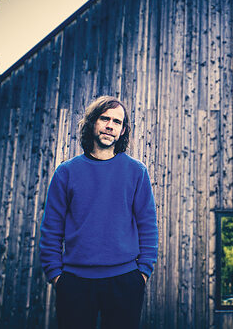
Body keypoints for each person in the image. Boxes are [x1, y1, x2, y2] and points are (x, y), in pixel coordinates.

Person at [39, 96, 158, 329]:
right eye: (105, 118)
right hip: (75, 282)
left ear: (123, 130)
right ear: (92, 122)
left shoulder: (136, 172)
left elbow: (148, 225)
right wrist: (56, 275)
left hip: (125, 280)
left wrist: (142, 272)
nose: (110, 125)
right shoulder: (66, 172)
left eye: (117, 122)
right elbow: (52, 228)